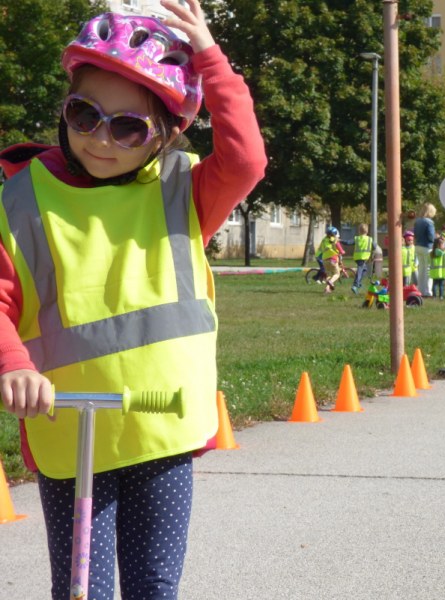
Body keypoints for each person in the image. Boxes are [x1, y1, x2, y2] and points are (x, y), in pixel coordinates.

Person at [0, 3, 267, 599]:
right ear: (64, 109)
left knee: (154, 585)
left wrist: (211, 60)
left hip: (160, 428)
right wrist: (13, 364)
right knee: (81, 589)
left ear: (166, 133)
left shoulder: (183, 189)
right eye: (84, 115)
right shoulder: (20, 202)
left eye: (127, 128)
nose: (101, 139)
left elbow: (247, 160)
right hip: (70, 427)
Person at [413, 202, 437, 297]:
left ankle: (420, 289)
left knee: (421, 269)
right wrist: (435, 238)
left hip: (418, 246)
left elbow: (415, 233)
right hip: (427, 247)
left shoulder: (417, 221)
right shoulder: (429, 222)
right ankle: (428, 291)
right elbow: (431, 236)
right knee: (428, 269)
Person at [317, 226, 345, 294]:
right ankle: (331, 282)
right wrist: (342, 252)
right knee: (337, 274)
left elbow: (320, 249)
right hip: (333, 259)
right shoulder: (335, 240)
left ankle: (327, 289)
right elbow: (341, 251)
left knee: (329, 275)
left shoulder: (324, 240)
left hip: (324, 260)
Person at [351, 223, 373, 293]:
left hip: (358, 257)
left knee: (364, 270)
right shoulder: (369, 239)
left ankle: (358, 283)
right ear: (367, 231)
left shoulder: (357, 238)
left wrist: (341, 241)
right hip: (362, 258)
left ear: (359, 231)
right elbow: (375, 246)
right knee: (360, 271)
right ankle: (355, 285)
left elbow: (349, 242)